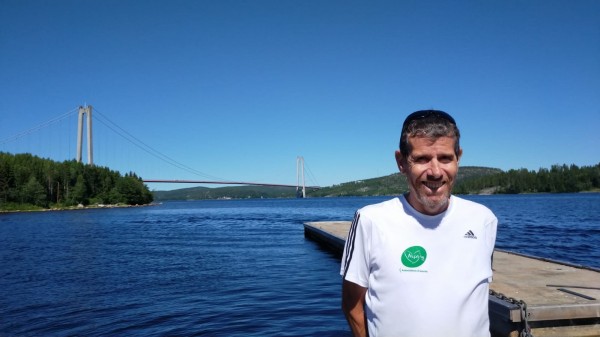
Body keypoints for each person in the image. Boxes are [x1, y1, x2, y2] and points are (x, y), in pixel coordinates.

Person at [340, 110, 498, 337]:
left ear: (458, 158)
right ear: (401, 162)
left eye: (445, 158)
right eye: (422, 159)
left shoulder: (484, 220)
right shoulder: (371, 221)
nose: (435, 172)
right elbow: (352, 303)